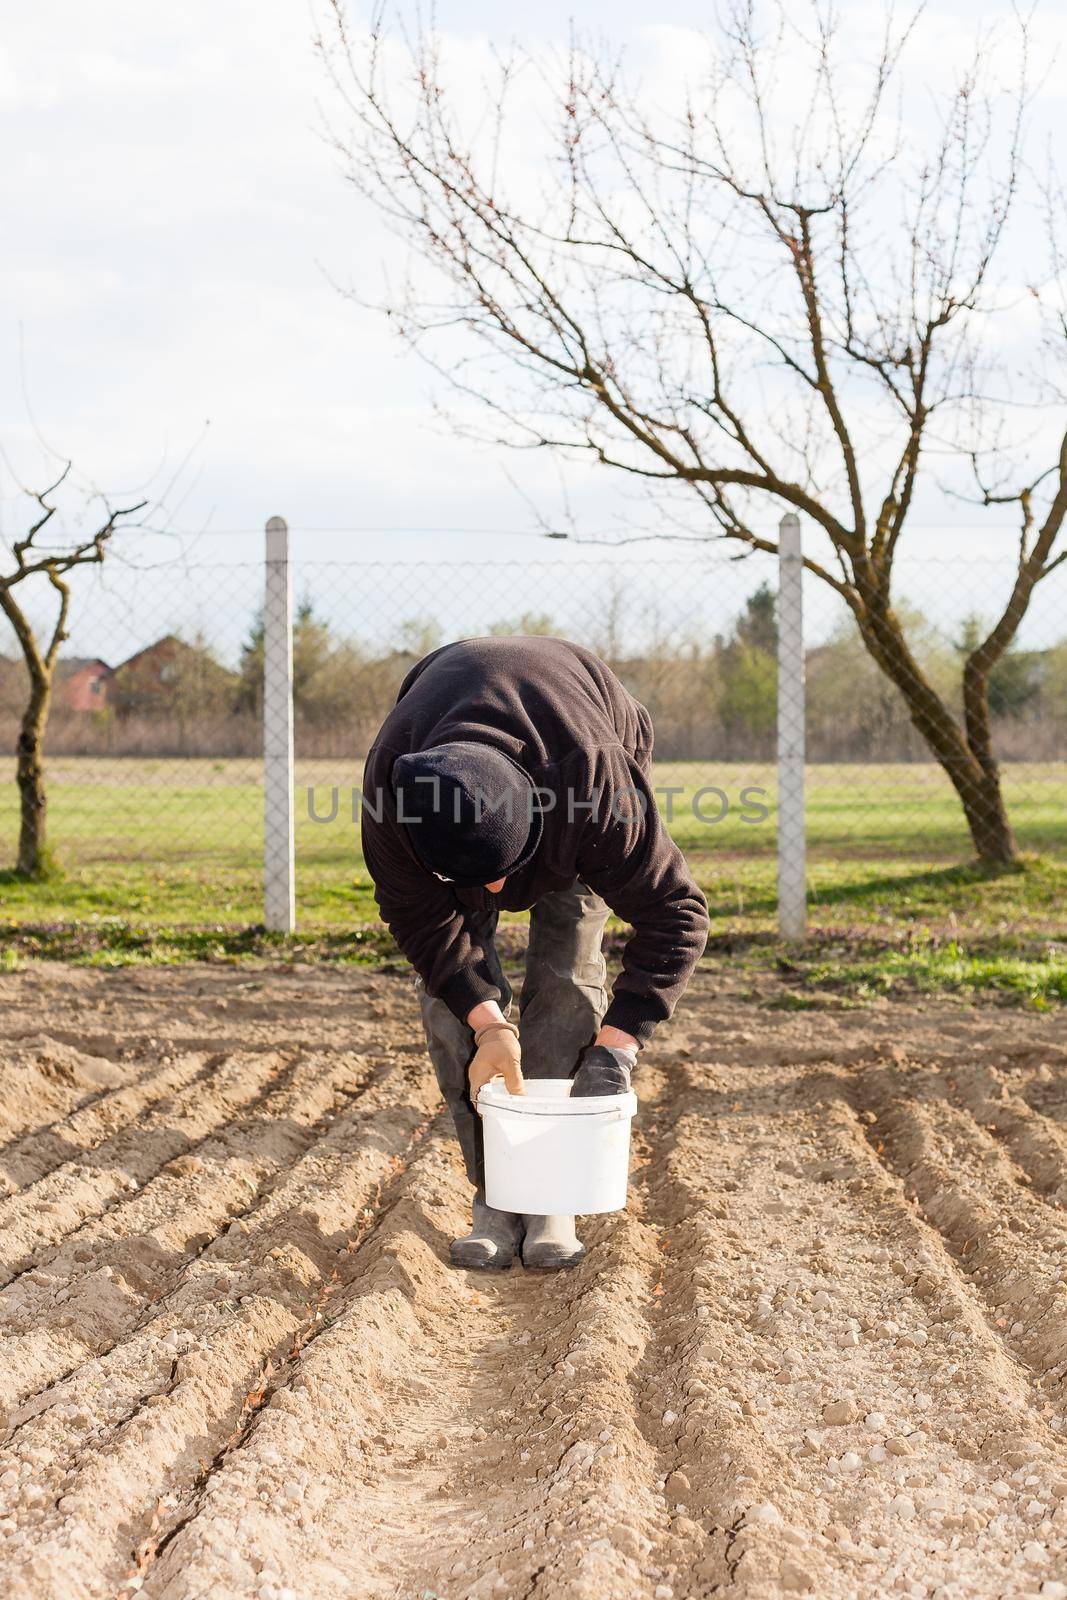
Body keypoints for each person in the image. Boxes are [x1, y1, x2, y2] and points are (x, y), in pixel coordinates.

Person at [361, 636, 709, 1271]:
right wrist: (488, 1021)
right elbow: (418, 918)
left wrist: (618, 1046)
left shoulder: (598, 789)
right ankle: (496, 1193)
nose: (496, 895)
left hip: (575, 763)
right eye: (476, 884)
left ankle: (551, 1196)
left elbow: (677, 916)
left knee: (567, 974)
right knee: (452, 1000)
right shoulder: (398, 794)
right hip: (457, 799)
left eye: (503, 875)